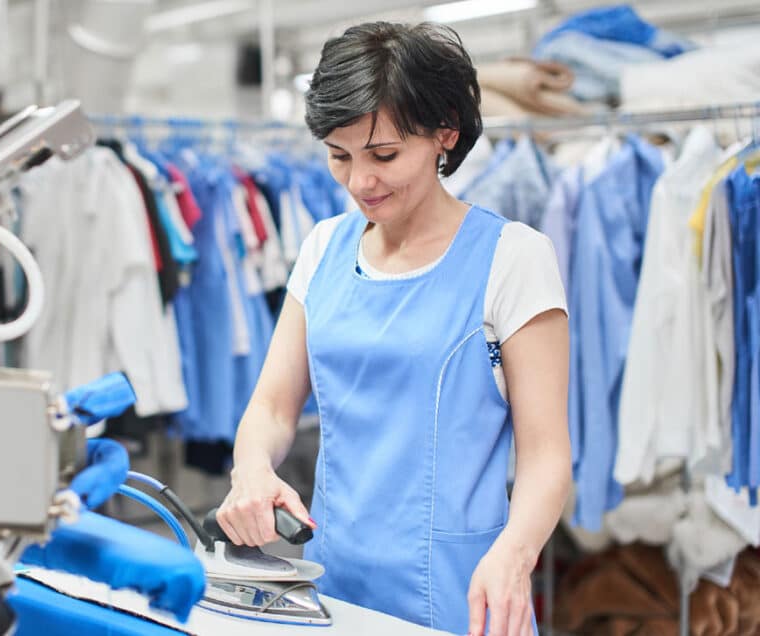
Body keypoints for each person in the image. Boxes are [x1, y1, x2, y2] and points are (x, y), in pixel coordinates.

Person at [216, 21, 572, 636]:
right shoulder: (324, 246)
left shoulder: (512, 257)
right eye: (339, 156)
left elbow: (546, 455)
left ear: (445, 135)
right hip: (331, 580)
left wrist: (516, 554)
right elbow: (273, 406)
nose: (360, 182)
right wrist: (251, 468)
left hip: (467, 588)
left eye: (383, 156)